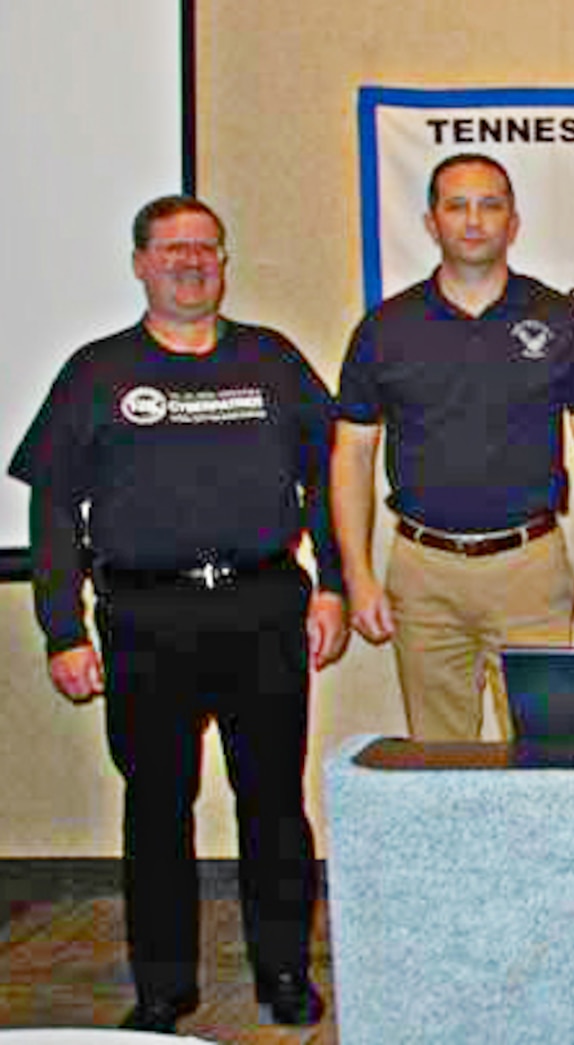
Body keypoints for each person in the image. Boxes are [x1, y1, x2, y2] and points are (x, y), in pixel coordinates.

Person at [9, 196, 348, 1032]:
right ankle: (163, 987)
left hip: (264, 604)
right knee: (155, 805)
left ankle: (283, 972)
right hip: (145, 616)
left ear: (224, 263)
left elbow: (327, 487)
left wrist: (335, 583)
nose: (190, 262)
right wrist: (62, 628)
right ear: (139, 263)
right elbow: (54, 512)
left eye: (206, 248)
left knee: (273, 799)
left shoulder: (272, 361)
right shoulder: (97, 371)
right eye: (172, 249)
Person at [331, 153, 574, 740]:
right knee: (439, 761)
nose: (473, 220)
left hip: (530, 569)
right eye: (456, 205)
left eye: (490, 205)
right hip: (423, 569)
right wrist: (357, 576)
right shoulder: (386, 328)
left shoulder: (558, 318)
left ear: (513, 222)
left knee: (540, 755)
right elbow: (352, 455)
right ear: (431, 222)